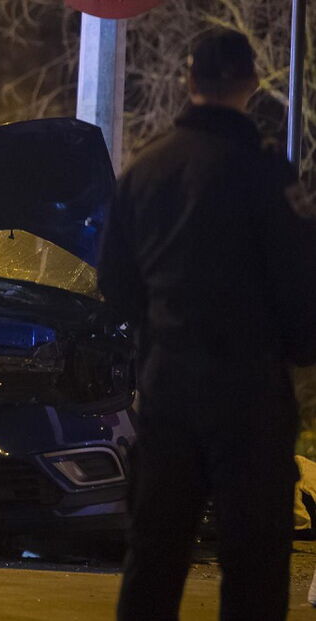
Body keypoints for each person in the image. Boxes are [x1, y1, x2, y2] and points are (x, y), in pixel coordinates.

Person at [99, 30, 316, 620]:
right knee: (253, 560)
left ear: (188, 81)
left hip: (169, 392)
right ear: (250, 84)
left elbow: (114, 286)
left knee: (155, 554)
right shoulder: (268, 176)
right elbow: (301, 288)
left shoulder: (145, 172)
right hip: (249, 395)